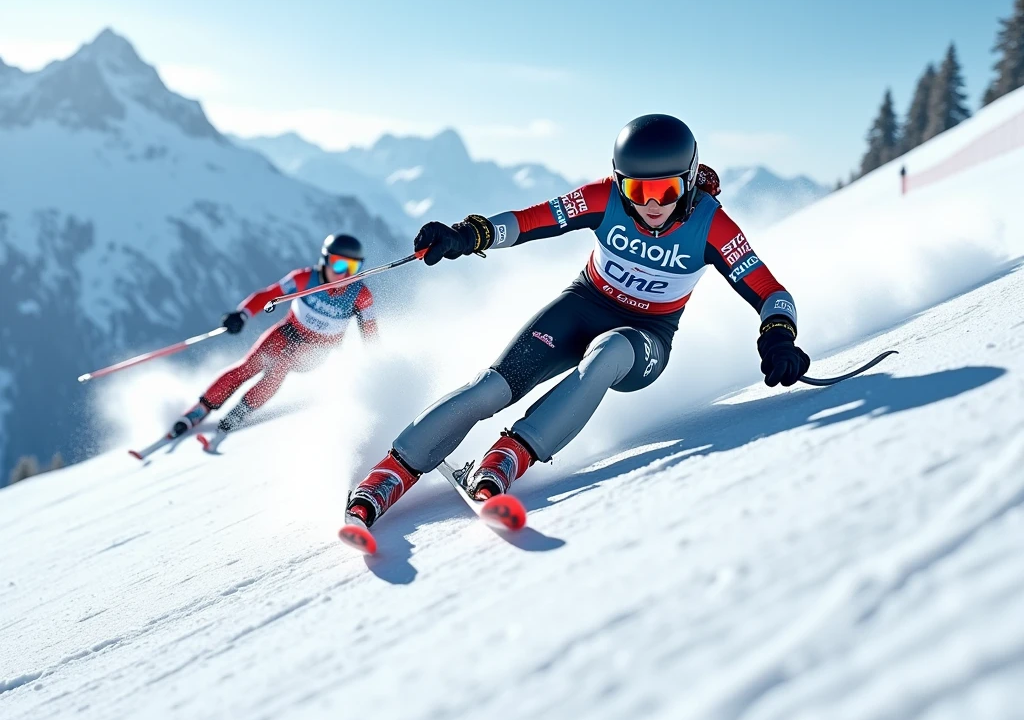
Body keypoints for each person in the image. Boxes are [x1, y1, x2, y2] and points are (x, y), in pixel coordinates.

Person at [346, 115, 809, 530]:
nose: (651, 205)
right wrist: (469, 234)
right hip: (582, 305)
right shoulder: (603, 198)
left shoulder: (712, 226)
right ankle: (390, 473)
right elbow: (532, 221)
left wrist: (778, 335)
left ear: (688, 183)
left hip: (644, 338)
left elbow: (772, 292)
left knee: (607, 354)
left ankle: (508, 456)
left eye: (665, 191)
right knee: (492, 387)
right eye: (636, 190)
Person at [171, 233, 376, 437]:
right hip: (287, 332)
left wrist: (377, 369)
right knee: (250, 365)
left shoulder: (360, 296)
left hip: (316, 351)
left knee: (281, 364)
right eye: (339, 265)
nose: (345, 275)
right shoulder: (304, 279)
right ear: (325, 260)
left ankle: (241, 411)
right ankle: (200, 409)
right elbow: (269, 295)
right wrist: (242, 314)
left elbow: (371, 336)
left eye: (352, 268)